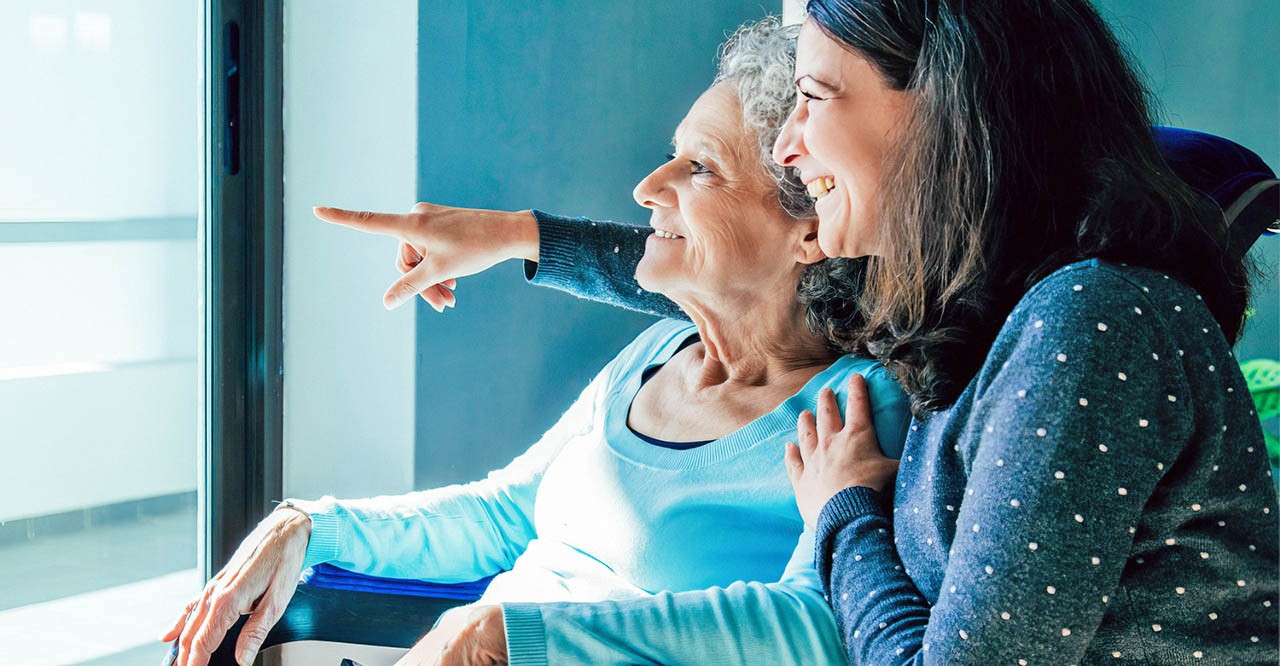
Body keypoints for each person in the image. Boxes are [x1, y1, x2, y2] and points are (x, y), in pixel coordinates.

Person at [325, 1, 1279, 663]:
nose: (790, 146)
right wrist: (519, 238)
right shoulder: (965, 320)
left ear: (943, 110)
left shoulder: (1088, 325)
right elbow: (745, 279)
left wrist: (844, 511)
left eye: (816, 98)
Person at [162, 18, 912, 666]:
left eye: (701, 169)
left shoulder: (856, 409)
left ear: (809, 229)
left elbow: (813, 627)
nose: (648, 188)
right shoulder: (653, 356)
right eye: (672, 154)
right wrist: (312, 525)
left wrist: (511, 635)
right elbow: (501, 516)